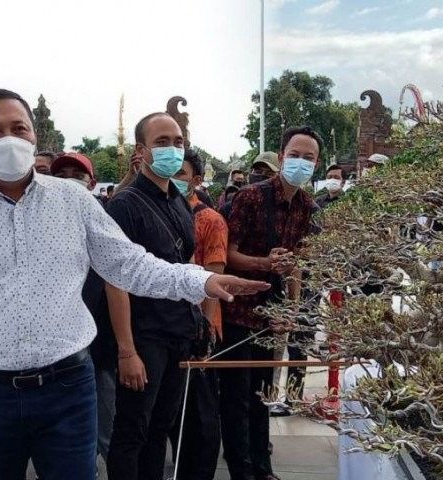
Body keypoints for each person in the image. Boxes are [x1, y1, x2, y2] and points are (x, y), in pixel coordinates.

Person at [0, 89, 268, 480]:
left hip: (68, 388)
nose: (8, 139)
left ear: (34, 135)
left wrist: (204, 280)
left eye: (18, 128)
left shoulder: (73, 201)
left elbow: (128, 264)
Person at [105, 112, 219, 480]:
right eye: (162, 142)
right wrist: (127, 350)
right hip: (143, 335)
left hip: (178, 331)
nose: (172, 149)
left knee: (161, 427)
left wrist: (200, 317)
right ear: (142, 150)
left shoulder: (181, 200)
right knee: (132, 430)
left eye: (178, 142)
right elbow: (115, 279)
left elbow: (185, 264)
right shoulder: (125, 204)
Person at [220, 126, 322, 480]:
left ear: (317, 164)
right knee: (237, 397)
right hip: (238, 310)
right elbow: (227, 256)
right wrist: (264, 262)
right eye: (295, 155)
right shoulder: (250, 197)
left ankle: (262, 467)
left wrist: (291, 310)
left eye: (309, 158)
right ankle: (241, 470)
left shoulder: (308, 206)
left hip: (272, 315)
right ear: (281, 158)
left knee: (263, 393)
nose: (301, 162)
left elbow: (298, 266)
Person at [51, 152, 118, 463]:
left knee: (105, 422)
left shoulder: (106, 219)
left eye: (75, 175)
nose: (67, 181)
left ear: (91, 183)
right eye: (60, 174)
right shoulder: (40, 223)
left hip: (100, 343)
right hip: (55, 350)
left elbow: (120, 282)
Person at [169, 150, 229, 480]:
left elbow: (213, 280)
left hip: (199, 330)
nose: (175, 177)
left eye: (182, 172)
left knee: (202, 416)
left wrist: (205, 330)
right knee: (173, 413)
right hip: (165, 329)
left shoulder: (210, 221)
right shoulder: (158, 210)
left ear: (196, 179)